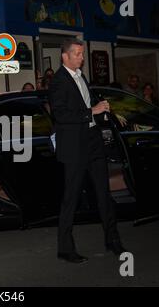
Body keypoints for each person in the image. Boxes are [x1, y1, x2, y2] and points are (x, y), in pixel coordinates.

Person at [48, 39, 126, 264]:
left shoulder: (81, 77)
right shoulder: (58, 82)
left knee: (104, 193)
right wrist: (91, 111)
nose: (82, 58)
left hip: (93, 140)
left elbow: (89, 106)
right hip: (74, 147)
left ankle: (112, 240)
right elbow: (61, 115)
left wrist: (103, 111)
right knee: (71, 198)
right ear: (65, 56)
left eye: (82, 54)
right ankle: (65, 248)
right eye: (79, 55)